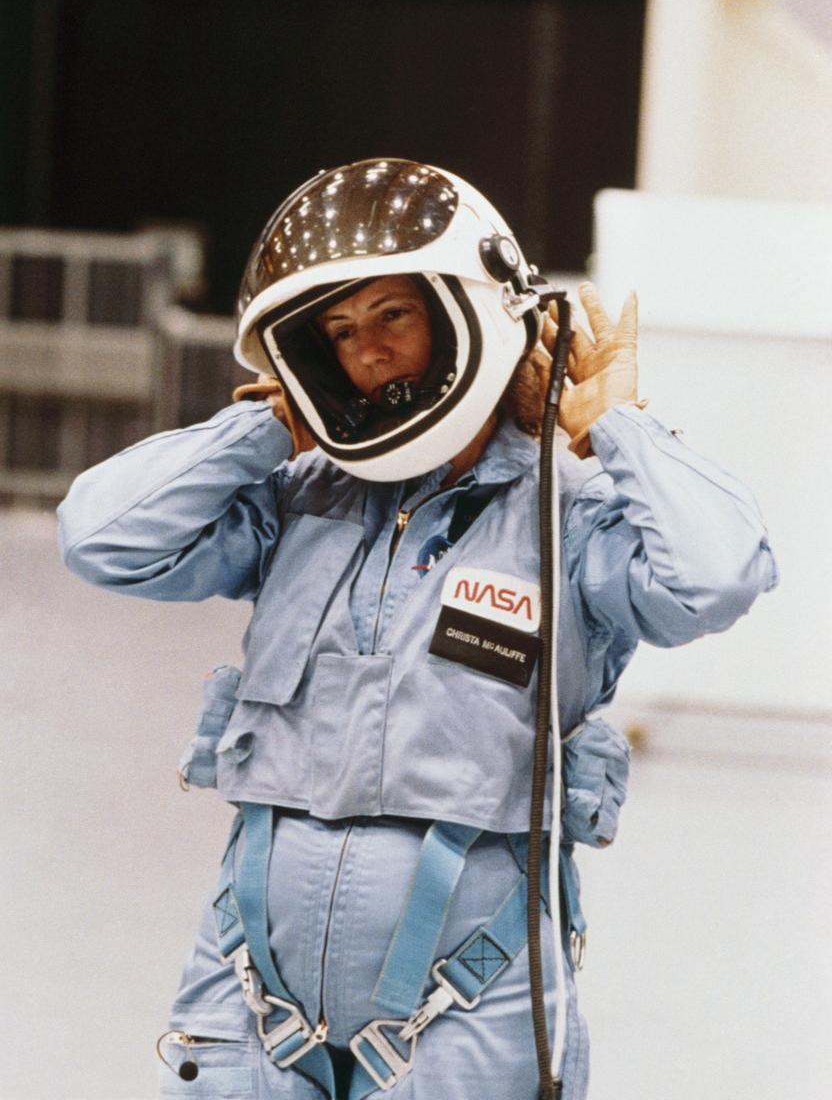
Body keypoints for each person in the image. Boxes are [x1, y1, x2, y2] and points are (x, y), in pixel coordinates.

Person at [58, 158, 777, 1100]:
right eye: (338, 334)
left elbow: (718, 574)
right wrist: (271, 426)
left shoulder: (572, 513)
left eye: (393, 315)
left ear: (465, 314)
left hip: (470, 999)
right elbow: (100, 537)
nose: (367, 355)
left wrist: (617, 427)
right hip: (246, 987)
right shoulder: (295, 502)